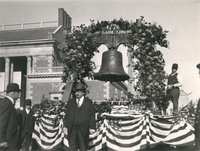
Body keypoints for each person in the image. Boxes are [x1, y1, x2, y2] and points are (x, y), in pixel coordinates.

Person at [63, 82, 96, 151]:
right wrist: (65, 126)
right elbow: (67, 115)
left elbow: (92, 116)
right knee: (72, 147)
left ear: (83, 92)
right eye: (76, 91)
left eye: (79, 91)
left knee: (83, 147)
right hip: (72, 129)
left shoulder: (88, 102)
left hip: (83, 129)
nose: (77, 93)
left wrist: (92, 127)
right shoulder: (71, 102)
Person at [0, 83, 21, 151]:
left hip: (10, 141)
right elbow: (1, 123)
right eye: (18, 92)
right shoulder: (6, 104)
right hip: (7, 143)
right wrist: (2, 140)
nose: (19, 94)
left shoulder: (8, 103)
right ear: (13, 93)